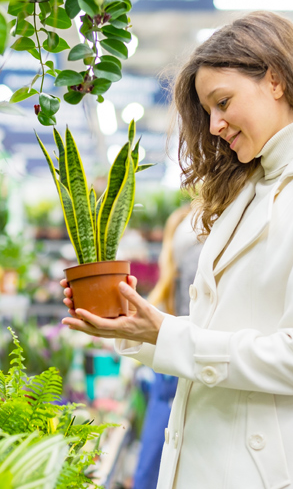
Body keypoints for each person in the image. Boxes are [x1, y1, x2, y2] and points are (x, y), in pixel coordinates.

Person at [61, 11, 293, 489]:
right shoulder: (252, 188)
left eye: (223, 102)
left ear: (275, 79)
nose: (214, 125)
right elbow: (221, 332)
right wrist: (135, 329)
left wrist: (168, 335)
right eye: (208, 110)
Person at [133, 204, 202, 489]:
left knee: (154, 468)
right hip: (178, 378)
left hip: (175, 381)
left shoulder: (185, 264)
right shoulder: (194, 259)